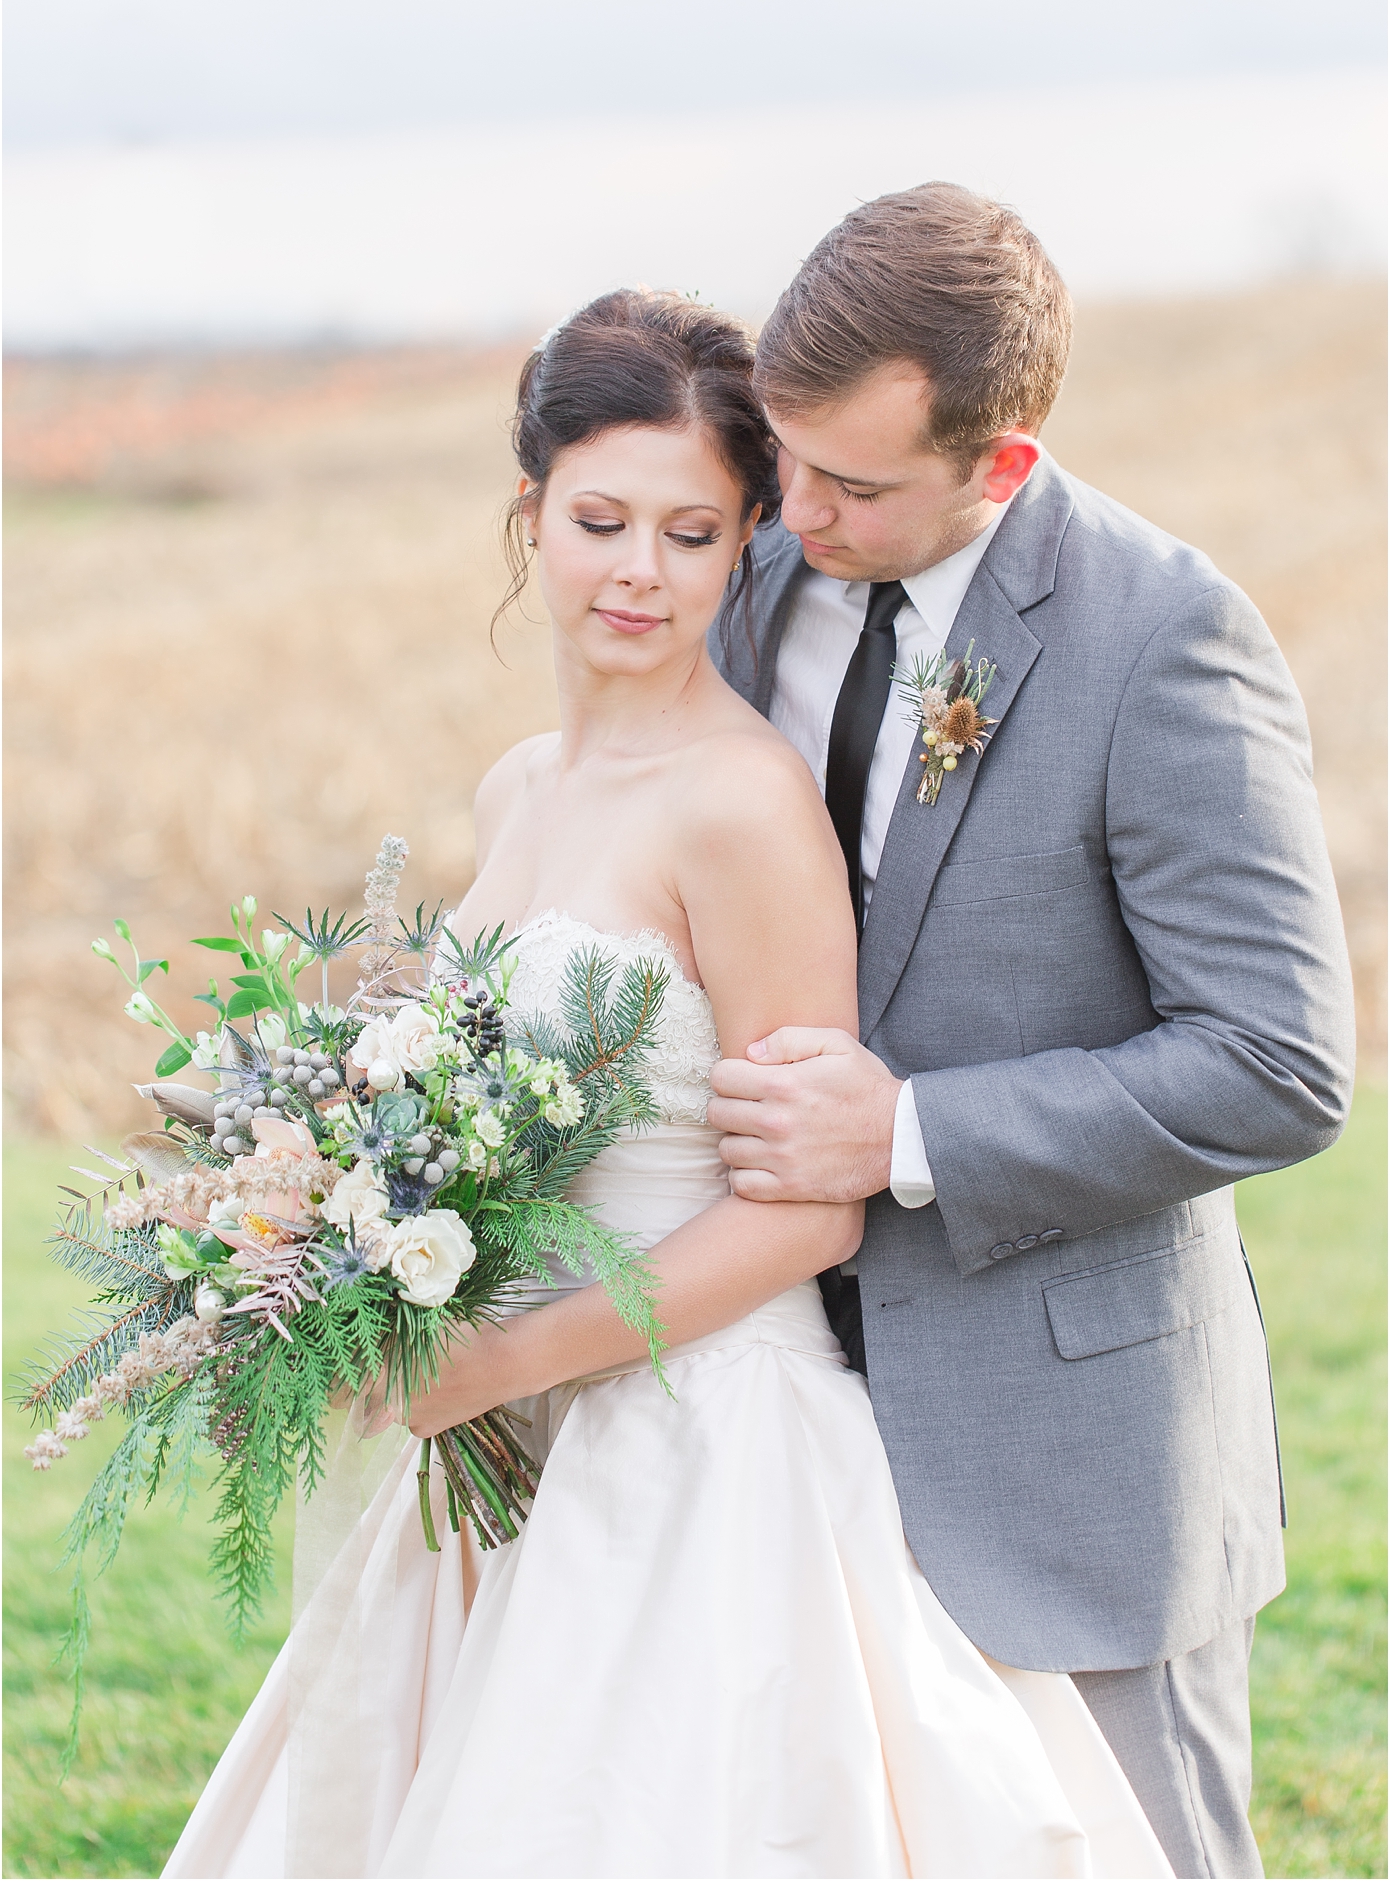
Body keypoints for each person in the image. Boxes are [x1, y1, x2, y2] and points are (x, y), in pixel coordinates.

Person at [165, 288, 1171, 1880]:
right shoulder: (518, 786)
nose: (640, 571)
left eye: (694, 534)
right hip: (509, 1457)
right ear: (531, 513)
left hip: (704, 1449)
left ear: (746, 544)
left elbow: (807, 1217)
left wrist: (498, 1363)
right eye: (602, 519)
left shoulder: (744, 809)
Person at [704, 183, 1357, 1881]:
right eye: (786, 460)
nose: (794, 513)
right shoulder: (765, 580)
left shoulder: (1162, 639)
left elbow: (1277, 1063)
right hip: (772, 1416)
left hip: (1067, 1459)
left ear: (1000, 465)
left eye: (852, 484)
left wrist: (906, 1137)